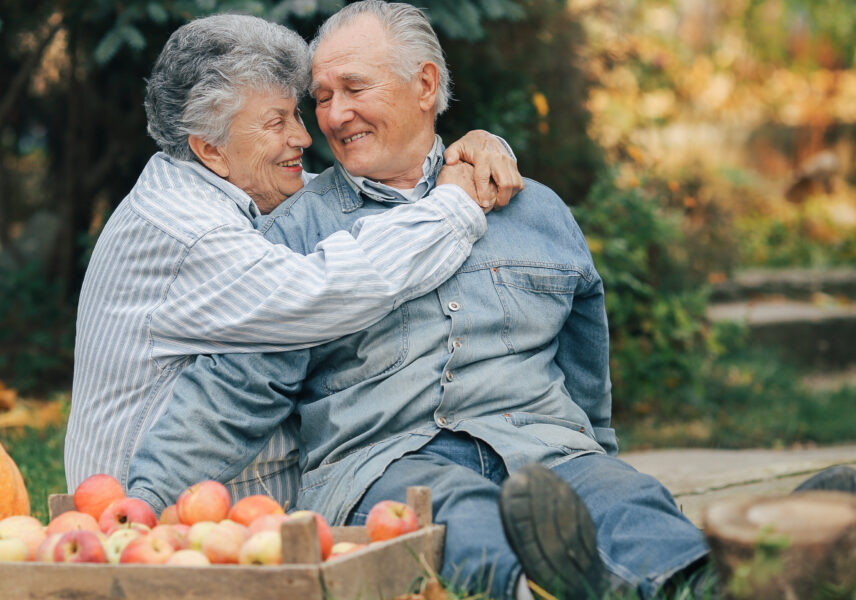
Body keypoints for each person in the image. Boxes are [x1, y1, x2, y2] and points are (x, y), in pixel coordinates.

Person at [125, 3, 856, 599]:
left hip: (539, 446)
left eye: (354, 89)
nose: (332, 115)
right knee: (461, 522)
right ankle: (565, 587)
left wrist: (595, 460)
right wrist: (140, 500)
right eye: (321, 97)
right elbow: (237, 384)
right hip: (391, 465)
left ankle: (740, 573)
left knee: (626, 501)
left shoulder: (534, 208)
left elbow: (586, 366)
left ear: (424, 86)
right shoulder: (300, 230)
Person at [65, 12, 524, 508]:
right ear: (210, 150)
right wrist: (453, 207)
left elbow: (365, 195)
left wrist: (478, 147)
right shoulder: (187, 229)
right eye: (276, 122)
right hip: (147, 511)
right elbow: (326, 291)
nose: (303, 139)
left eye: (298, 114)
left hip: (229, 502)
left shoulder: (235, 184)